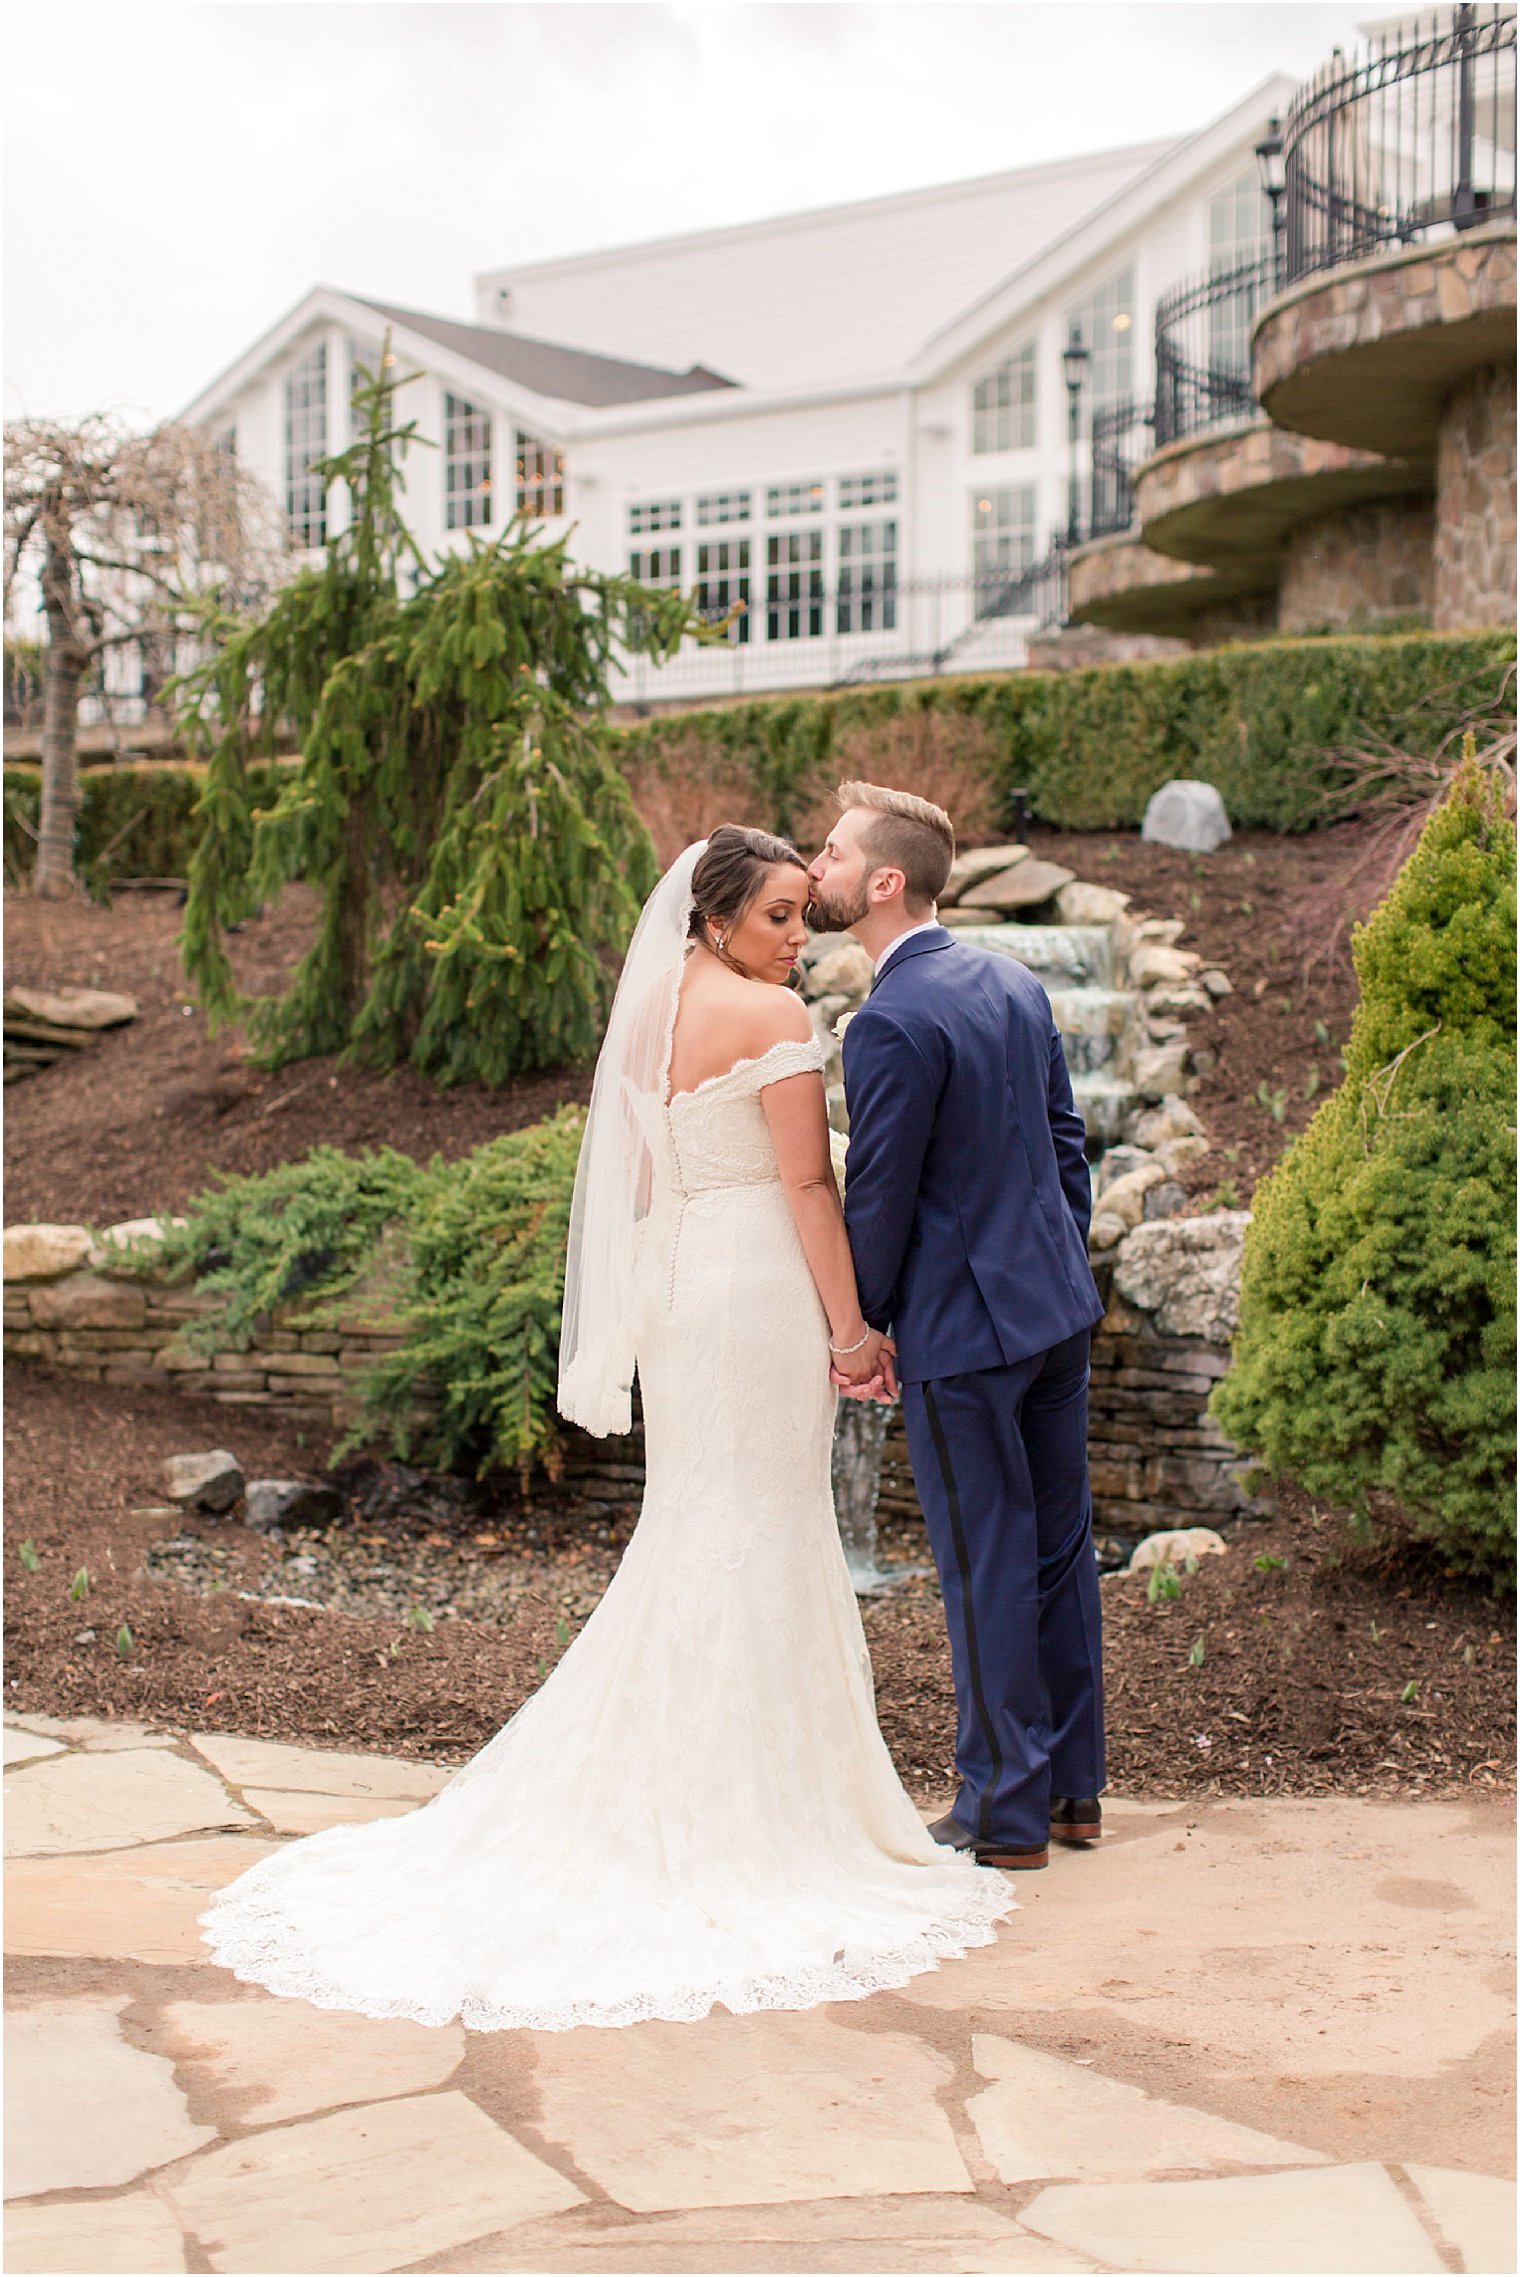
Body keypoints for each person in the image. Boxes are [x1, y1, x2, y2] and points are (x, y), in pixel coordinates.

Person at [199, 825, 1012, 2031]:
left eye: (804, 914)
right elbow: (803, 1187)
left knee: (696, 1522)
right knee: (761, 1524)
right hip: (753, 1290)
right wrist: (851, 1335)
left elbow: (642, 1178)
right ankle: (754, 1816)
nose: (798, 939)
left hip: (676, 1288)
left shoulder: (653, 1012)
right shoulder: (775, 1025)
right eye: (778, 917)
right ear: (714, 916)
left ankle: (670, 1781)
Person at [808, 782, 1107, 1871]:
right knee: (1054, 1556)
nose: (817, 869)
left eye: (833, 855)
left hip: (961, 1335)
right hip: (1052, 1314)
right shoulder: (1009, 979)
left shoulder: (887, 1020)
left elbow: (877, 1195)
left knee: (984, 1563)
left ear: (885, 882)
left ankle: (1000, 1811)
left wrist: (867, 1324)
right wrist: (1052, 1260)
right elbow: (1064, 1142)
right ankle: (1073, 1794)